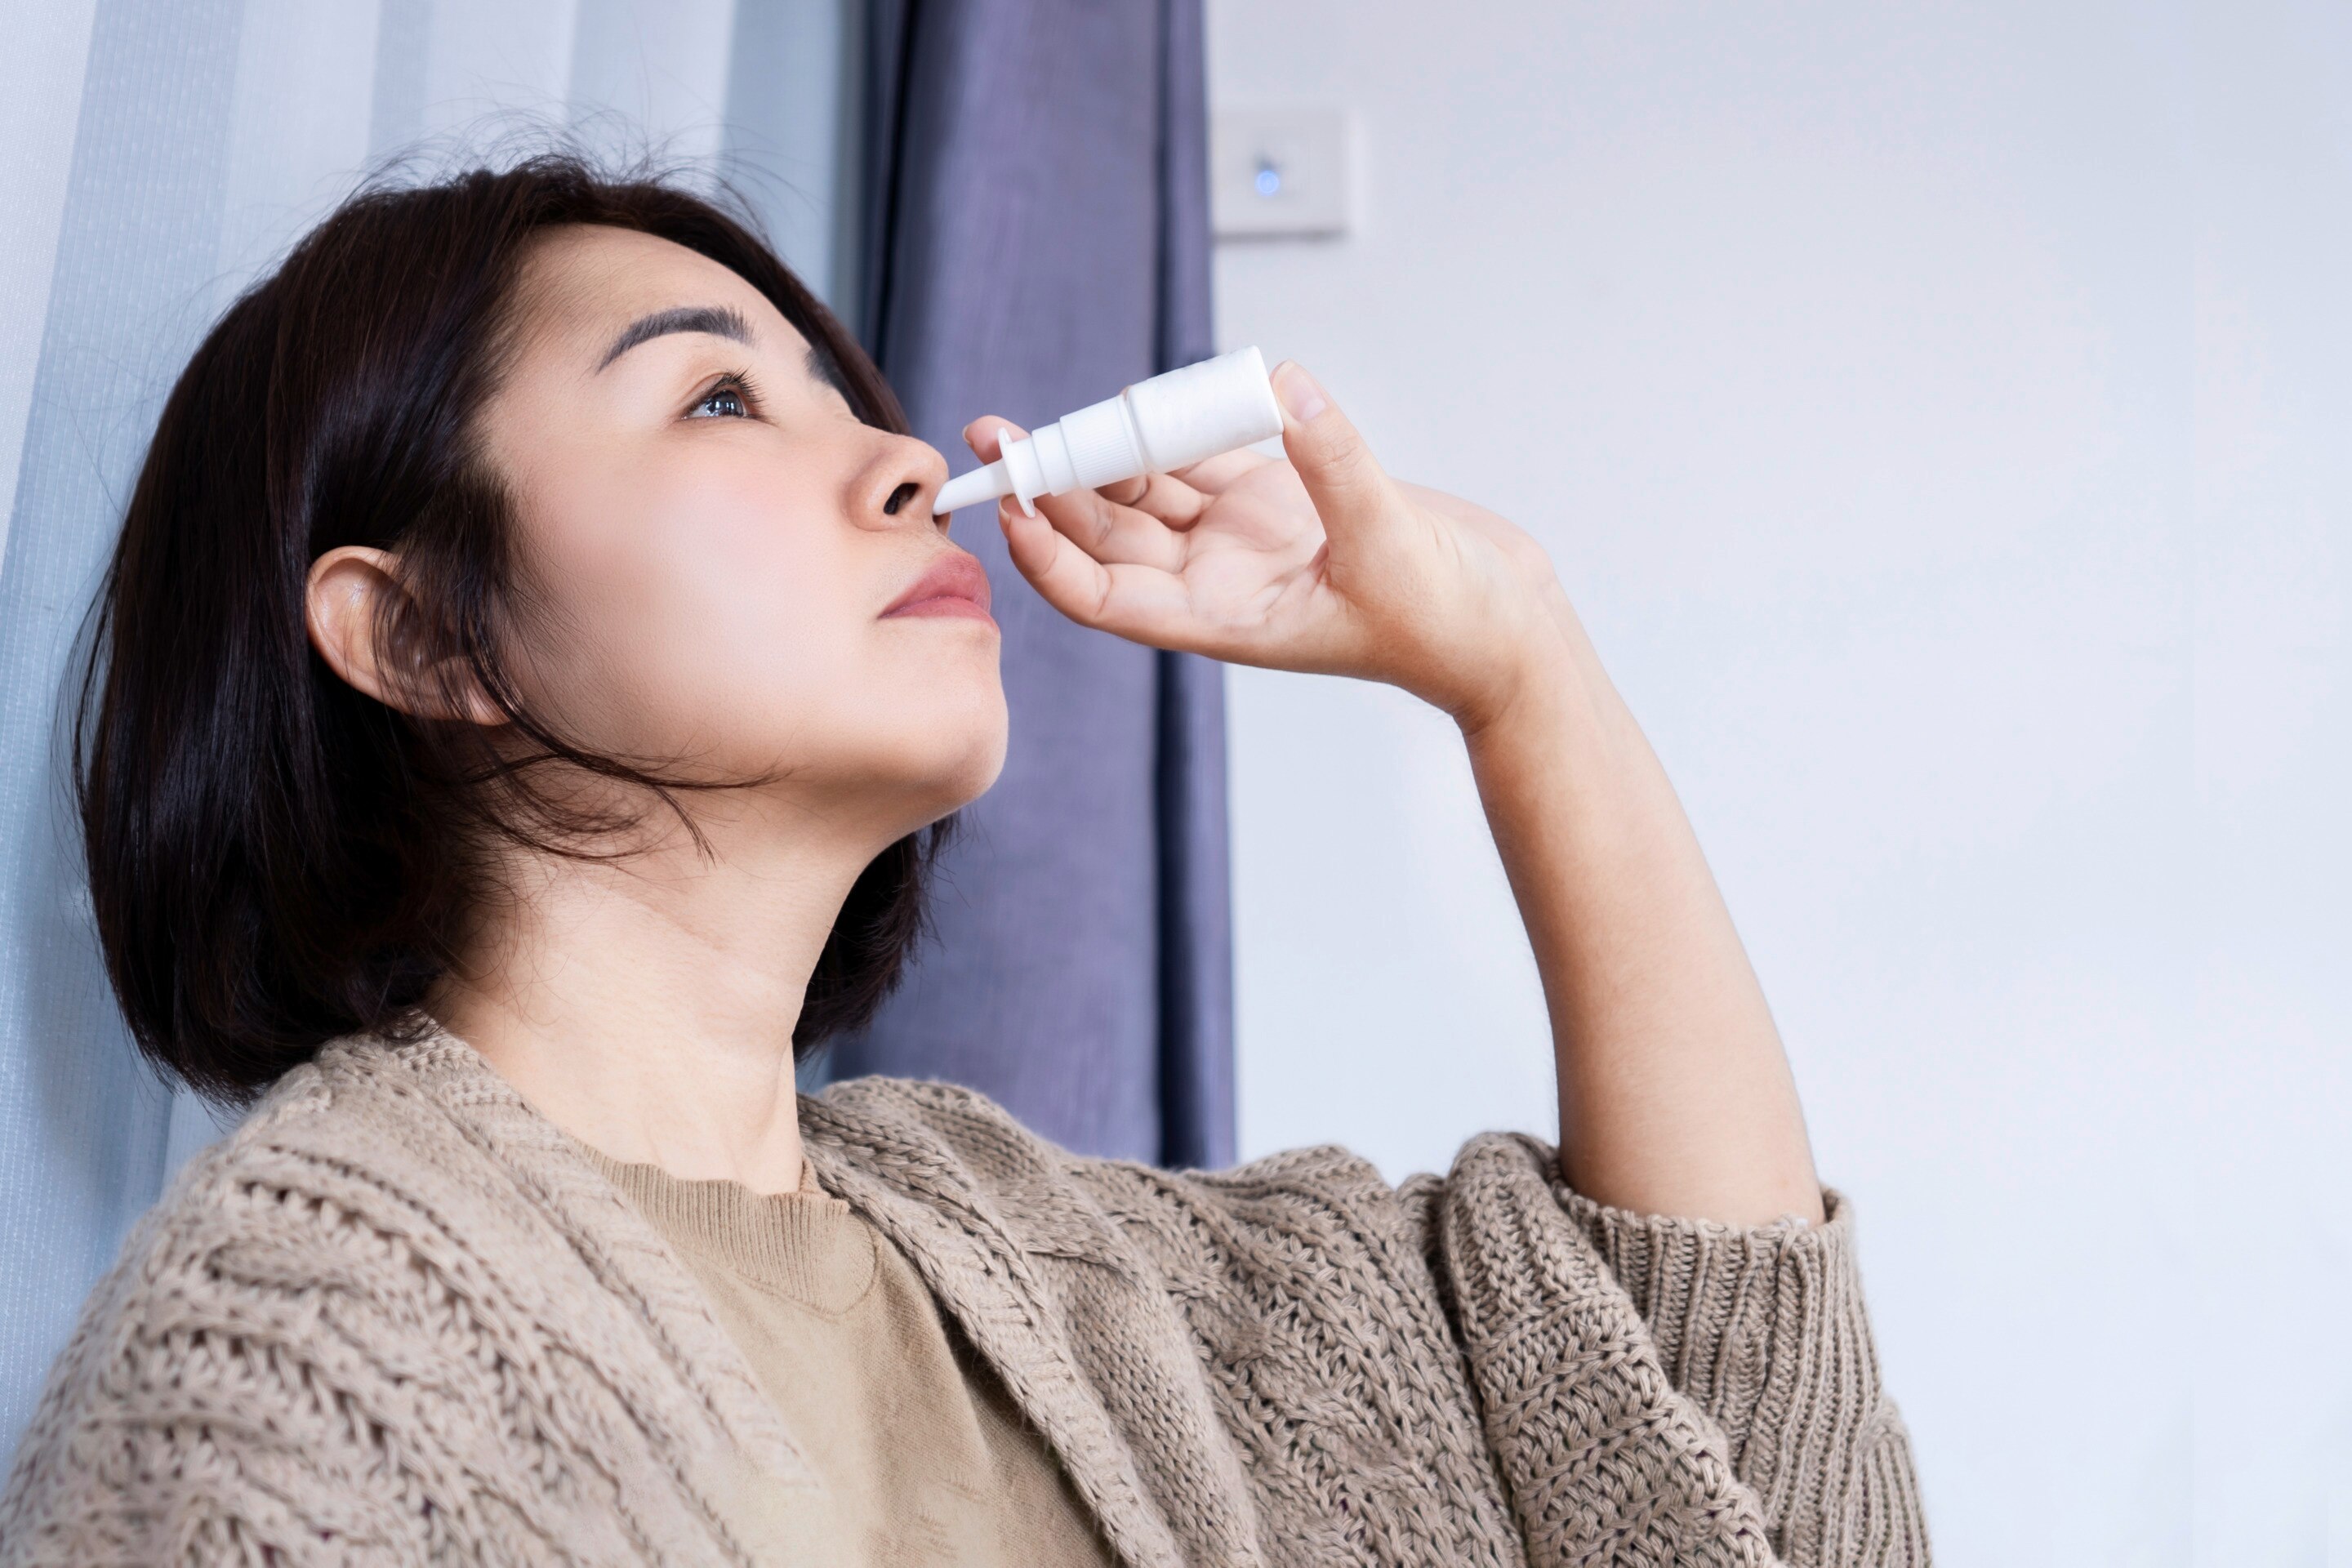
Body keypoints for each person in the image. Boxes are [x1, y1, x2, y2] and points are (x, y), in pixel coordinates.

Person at [0, 157, 1927, 1566]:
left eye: (846, 393)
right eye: (721, 397)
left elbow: (1747, 1490)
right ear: (425, 636)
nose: (906, 464)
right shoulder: (286, 1381)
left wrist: (1521, 662)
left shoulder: (1089, 1282)